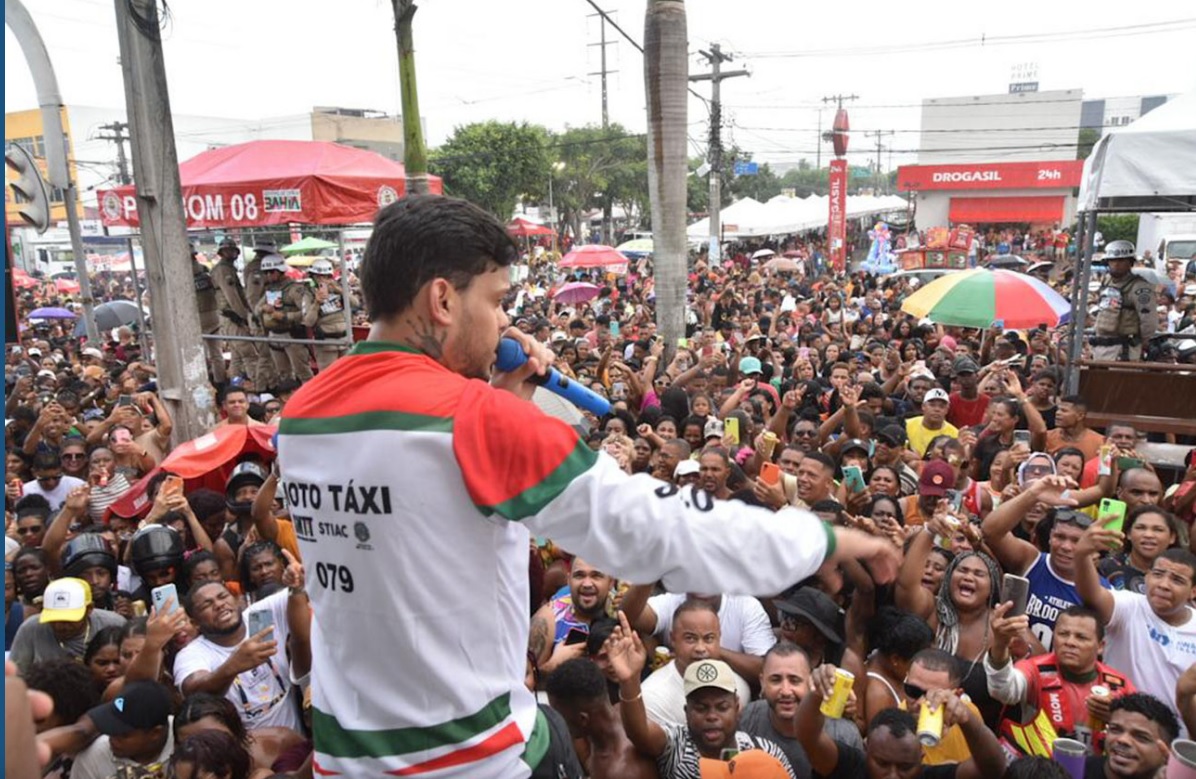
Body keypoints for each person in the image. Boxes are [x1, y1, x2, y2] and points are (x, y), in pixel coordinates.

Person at [275, 194, 898, 778]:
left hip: (349, 755)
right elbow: (656, 528)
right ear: (442, 299)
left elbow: (411, 523)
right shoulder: (475, 421)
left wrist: (499, 400)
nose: (503, 325)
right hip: (468, 756)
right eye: (495, 302)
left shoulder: (300, 417)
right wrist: (821, 538)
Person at [605, 613, 798, 778]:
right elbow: (639, 733)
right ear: (687, 711)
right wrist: (629, 681)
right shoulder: (676, 745)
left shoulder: (765, 752)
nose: (712, 716)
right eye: (701, 708)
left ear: (737, 708)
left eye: (722, 707)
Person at [1073, 517, 1196, 736]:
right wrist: (1082, 554)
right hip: (1118, 731)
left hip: (1175, 745)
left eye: (1177, 580)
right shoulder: (1129, 606)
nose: (1163, 585)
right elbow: (1090, 593)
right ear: (1147, 577)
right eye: (1157, 574)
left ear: (1193, 592)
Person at [797, 662, 1004, 779]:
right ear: (867, 748)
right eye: (882, 764)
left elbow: (992, 769)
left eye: (905, 768)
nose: (893, 776)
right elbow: (808, 736)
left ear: (921, 758)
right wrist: (818, 691)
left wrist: (967, 719)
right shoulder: (850, 767)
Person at [985, 605, 1134, 754]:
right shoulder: (1033, 669)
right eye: (1063, 634)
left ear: (1100, 646)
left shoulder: (1120, 685)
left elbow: (1142, 732)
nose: (1069, 642)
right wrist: (1000, 644)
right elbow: (1003, 690)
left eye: (1081, 637)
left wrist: (1117, 718)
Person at [173, 574, 309, 734]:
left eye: (223, 596)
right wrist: (234, 665)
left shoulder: (260, 616)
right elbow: (194, 691)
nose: (219, 605)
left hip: (298, 742)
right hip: (249, 753)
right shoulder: (193, 653)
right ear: (195, 623)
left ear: (236, 599)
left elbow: (304, 591)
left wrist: (296, 580)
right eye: (206, 605)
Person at [740, 641, 863, 777]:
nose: (786, 691)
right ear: (762, 682)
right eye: (775, 680)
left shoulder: (843, 733)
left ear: (810, 681)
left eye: (794, 680)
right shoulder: (748, 717)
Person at [640, 598, 754, 726]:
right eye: (690, 638)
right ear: (673, 639)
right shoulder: (653, 696)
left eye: (709, 638)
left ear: (719, 638)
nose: (700, 648)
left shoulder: (738, 687)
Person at [545, 658, 656, 779]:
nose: (555, 720)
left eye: (559, 715)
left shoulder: (622, 771)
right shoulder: (616, 716)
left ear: (583, 719)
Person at [59, 681, 175, 779]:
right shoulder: (92, 758)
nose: (112, 740)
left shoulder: (186, 737)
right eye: (110, 729)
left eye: (123, 735)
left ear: (155, 733)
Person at [9, 577, 126, 674]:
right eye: (54, 620)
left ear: (89, 609)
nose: (60, 626)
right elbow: (16, 675)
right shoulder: (31, 629)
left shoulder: (114, 623)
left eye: (68, 620)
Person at [530, 558, 616, 678]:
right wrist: (553, 665)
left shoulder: (623, 612)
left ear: (611, 582)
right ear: (569, 580)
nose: (587, 584)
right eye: (579, 576)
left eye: (596, 576)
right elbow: (525, 684)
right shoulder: (549, 617)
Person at [1079, 693, 1178, 779]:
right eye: (1115, 730)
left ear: (1167, 751)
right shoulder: (1073, 772)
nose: (1123, 740)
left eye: (1141, 737)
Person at [1091, 240, 1156, 361]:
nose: (1116, 264)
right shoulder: (1106, 280)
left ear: (1130, 262)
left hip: (1124, 348)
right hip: (1100, 346)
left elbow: (1149, 321)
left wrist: (1143, 343)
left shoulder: (1140, 287)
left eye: (1121, 260)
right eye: (1112, 260)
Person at [256, 253, 315, 384]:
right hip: (274, 335)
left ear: (280, 271)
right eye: (265, 272)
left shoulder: (295, 289)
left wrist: (285, 316)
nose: (268, 275)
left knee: (303, 373)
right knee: (283, 374)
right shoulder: (269, 289)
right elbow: (257, 309)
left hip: (292, 335)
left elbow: (307, 312)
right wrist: (263, 309)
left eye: (271, 272)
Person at [211, 237, 261, 387]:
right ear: (222, 253)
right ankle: (257, 386)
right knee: (249, 355)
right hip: (231, 316)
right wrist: (244, 317)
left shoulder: (226, 269)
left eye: (232, 250)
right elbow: (232, 297)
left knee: (237, 357)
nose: (231, 253)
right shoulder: (223, 270)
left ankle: (235, 387)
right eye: (228, 250)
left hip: (229, 316)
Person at [243, 239, 281, 391]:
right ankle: (262, 388)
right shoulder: (257, 270)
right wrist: (258, 316)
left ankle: (269, 384)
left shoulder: (256, 267)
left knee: (269, 355)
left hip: (264, 316)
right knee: (265, 355)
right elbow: (253, 297)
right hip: (260, 318)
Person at [308, 258, 356, 371]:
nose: (322, 279)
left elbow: (355, 302)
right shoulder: (309, 293)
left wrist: (338, 289)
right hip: (326, 343)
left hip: (345, 339)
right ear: (313, 277)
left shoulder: (338, 288)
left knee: (348, 374)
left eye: (326, 276)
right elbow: (308, 321)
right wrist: (316, 303)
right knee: (328, 377)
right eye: (318, 276)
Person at [194, 242, 226, 386]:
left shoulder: (180, 275)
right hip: (213, 314)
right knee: (216, 353)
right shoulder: (205, 272)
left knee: (196, 354)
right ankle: (220, 381)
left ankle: (202, 382)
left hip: (196, 317)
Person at [906, 389, 958, 457]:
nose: (937, 409)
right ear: (923, 406)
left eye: (941, 406)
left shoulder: (955, 434)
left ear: (947, 410)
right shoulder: (906, 425)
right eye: (932, 405)